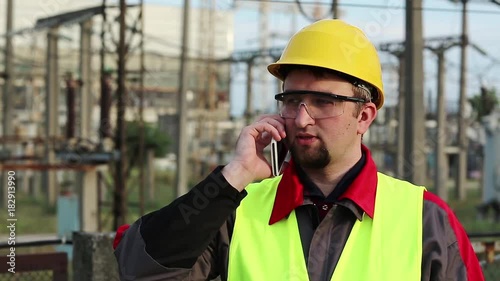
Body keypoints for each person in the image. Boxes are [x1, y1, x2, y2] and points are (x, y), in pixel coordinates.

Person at [113, 19, 484, 281]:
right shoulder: (237, 209)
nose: (302, 119)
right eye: (291, 100)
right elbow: (140, 269)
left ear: (365, 115)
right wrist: (234, 175)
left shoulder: (426, 222)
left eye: (323, 101)